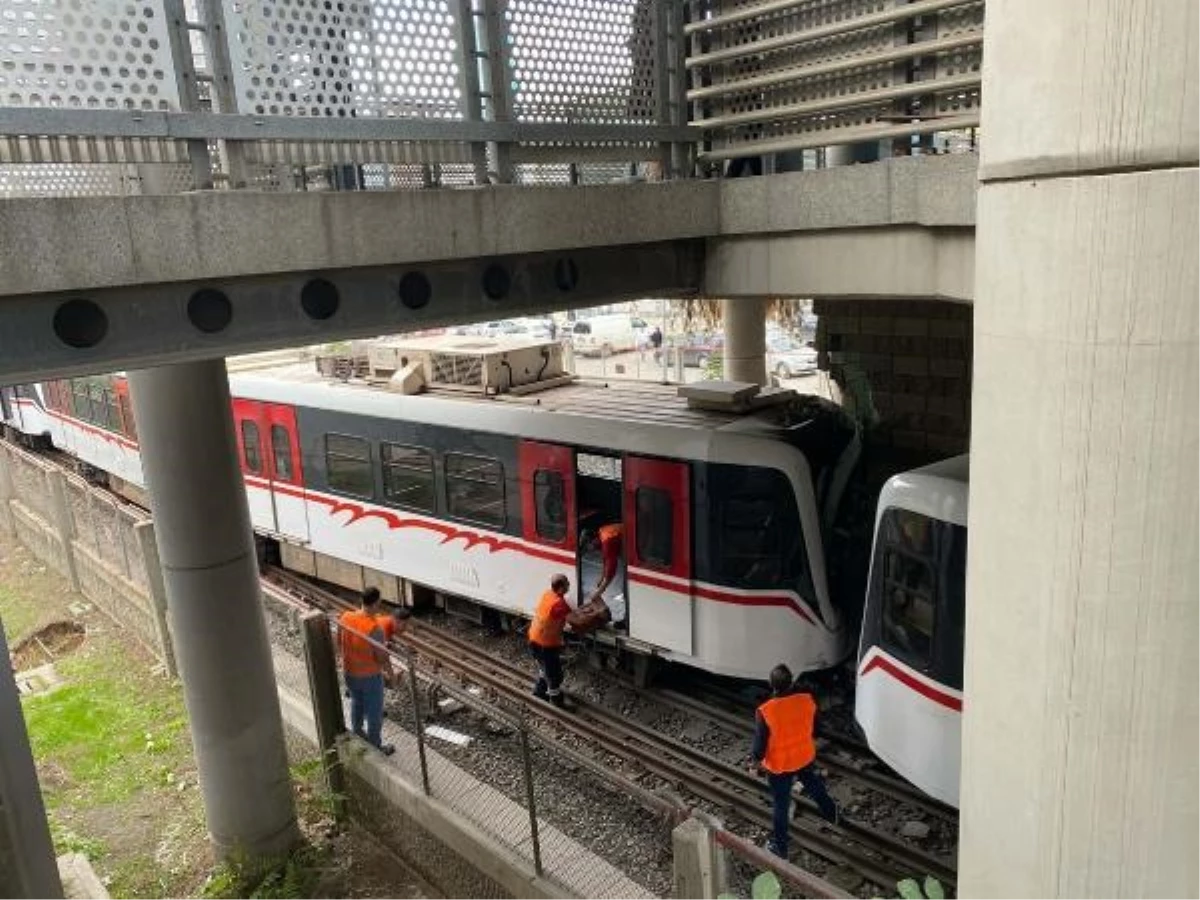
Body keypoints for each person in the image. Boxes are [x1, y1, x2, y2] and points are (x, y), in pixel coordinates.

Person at [749, 664, 838, 858]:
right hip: (804, 756)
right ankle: (833, 815)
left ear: (771, 685)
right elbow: (817, 730)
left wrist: (755, 762)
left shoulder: (765, 711)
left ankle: (780, 848)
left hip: (779, 766)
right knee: (815, 786)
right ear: (792, 682)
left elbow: (759, 745)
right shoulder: (807, 701)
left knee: (781, 805)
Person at [338, 587, 395, 756]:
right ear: (376, 604)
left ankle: (357, 731)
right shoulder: (374, 629)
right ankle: (376, 745)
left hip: (349, 672)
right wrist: (391, 676)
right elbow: (382, 658)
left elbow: (339, 641)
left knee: (357, 702)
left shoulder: (346, 617)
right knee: (374, 712)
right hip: (369, 676)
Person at [528, 573, 573, 708]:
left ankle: (539, 692)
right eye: (567, 584)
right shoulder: (558, 604)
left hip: (535, 639)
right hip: (545, 645)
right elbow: (575, 620)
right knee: (555, 675)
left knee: (545, 668)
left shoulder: (548, 594)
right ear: (560, 587)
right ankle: (556, 701)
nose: (569, 586)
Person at [583, 523, 624, 596]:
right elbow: (605, 560)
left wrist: (598, 593)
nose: (590, 549)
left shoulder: (607, 542)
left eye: (589, 546)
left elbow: (611, 571)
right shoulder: (602, 532)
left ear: (593, 540)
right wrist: (601, 579)